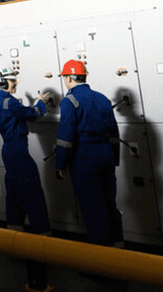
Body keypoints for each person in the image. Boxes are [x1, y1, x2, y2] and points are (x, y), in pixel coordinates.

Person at [53, 59, 124, 247]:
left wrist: (60, 164)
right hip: (106, 156)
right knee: (109, 204)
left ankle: (102, 257)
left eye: (64, 77)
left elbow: (65, 137)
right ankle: (119, 248)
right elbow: (114, 133)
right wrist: (114, 159)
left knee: (93, 208)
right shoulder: (103, 98)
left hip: (84, 159)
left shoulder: (70, 101)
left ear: (69, 78)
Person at [0, 66, 53, 234]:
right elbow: (32, 114)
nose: (16, 82)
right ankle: (42, 234)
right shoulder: (10, 102)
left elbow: (19, 114)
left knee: (14, 192)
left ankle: (14, 231)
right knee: (32, 190)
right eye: (13, 80)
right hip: (18, 151)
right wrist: (41, 102)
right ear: (3, 82)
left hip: (9, 151)